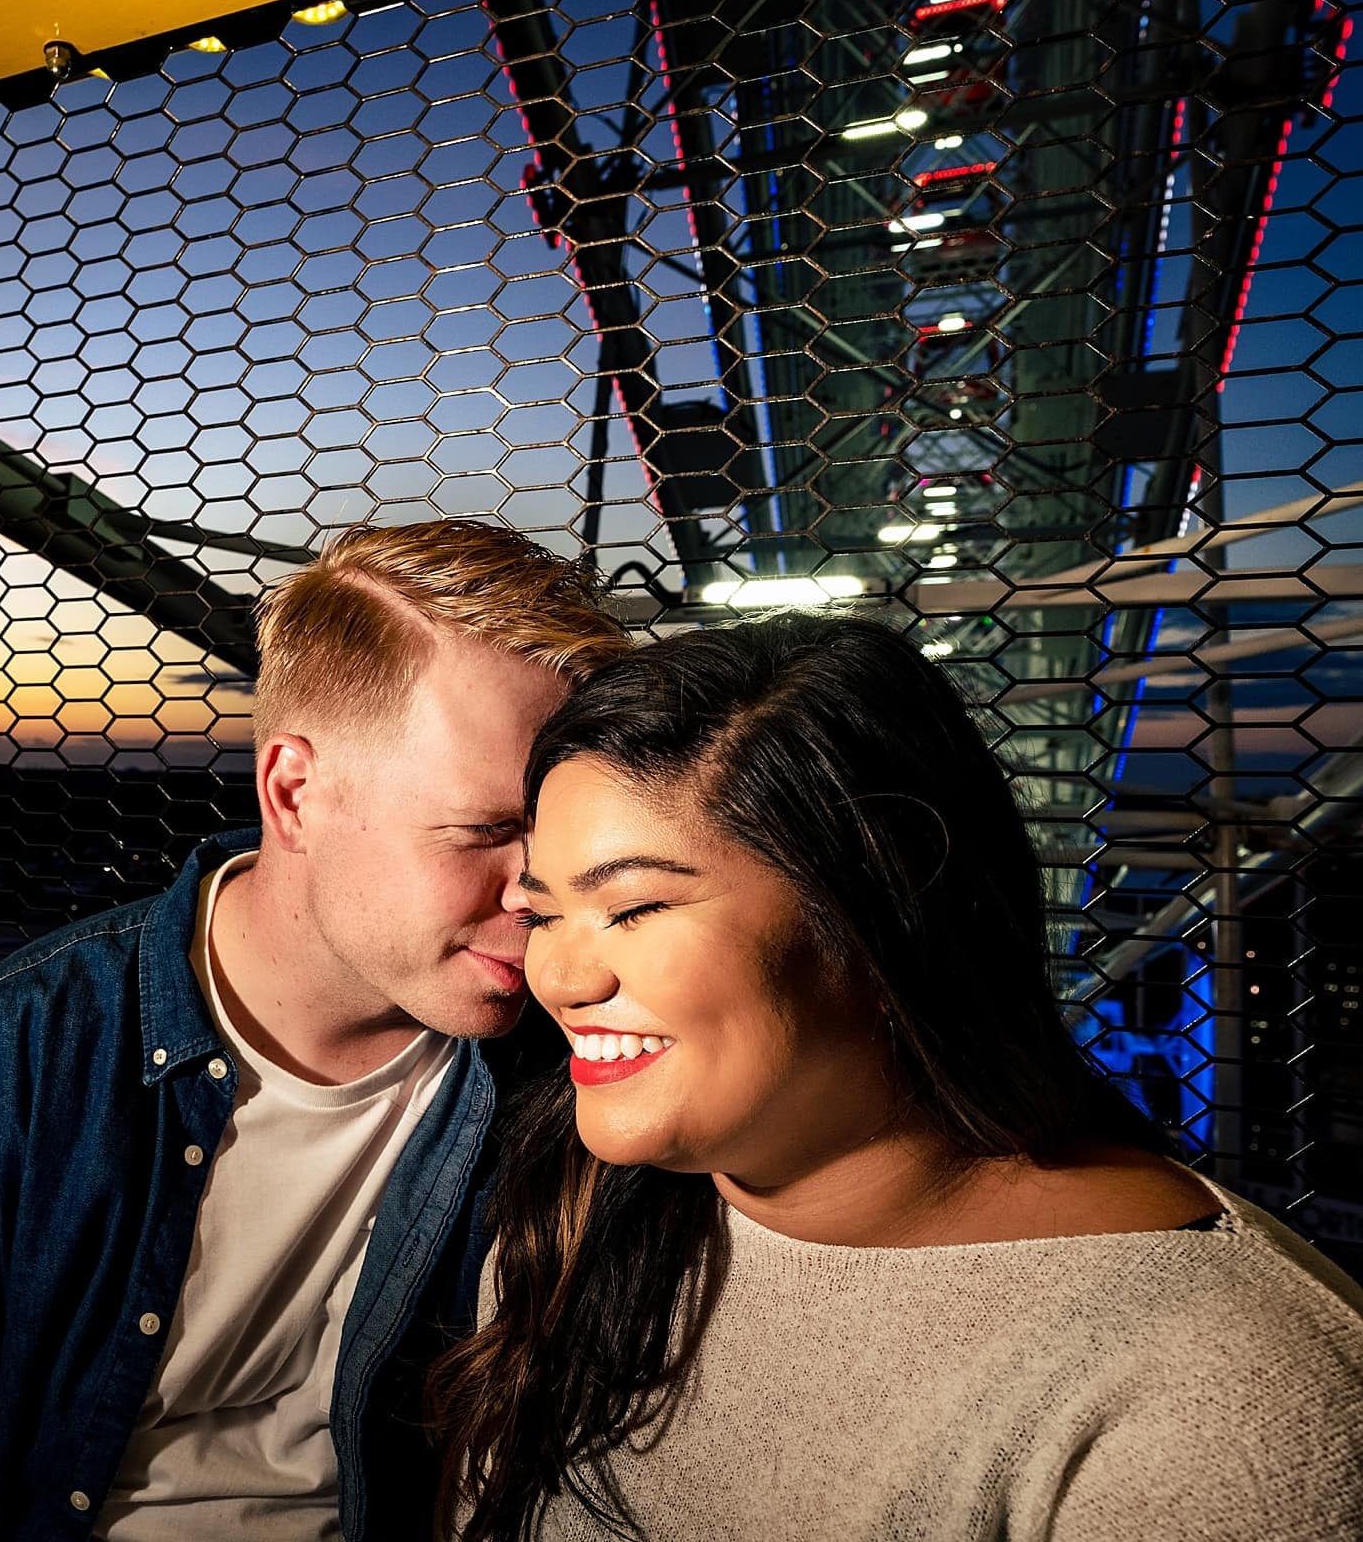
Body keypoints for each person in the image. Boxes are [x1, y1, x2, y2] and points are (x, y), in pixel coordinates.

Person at [431, 611, 1363, 1541]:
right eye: (545, 914)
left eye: (632, 907)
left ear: (878, 918)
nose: (559, 978)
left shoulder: (1218, 1392)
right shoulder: (572, 1213)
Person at [0, 519, 627, 1541]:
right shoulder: (32, 1049)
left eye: (564, 837)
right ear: (293, 792)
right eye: (487, 831)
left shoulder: (577, 1050)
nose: (540, 892)